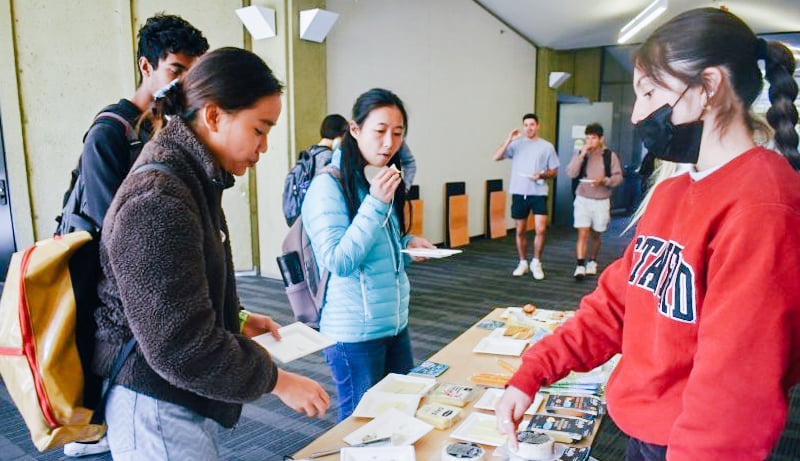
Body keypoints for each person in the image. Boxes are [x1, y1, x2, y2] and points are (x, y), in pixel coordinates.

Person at [496, 7, 800, 461]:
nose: (639, 112)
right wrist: (535, 369)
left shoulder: (764, 204)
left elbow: (736, 389)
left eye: (650, 92)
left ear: (710, 87)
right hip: (646, 432)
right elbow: (618, 306)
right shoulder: (673, 191)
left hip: (691, 444)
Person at [92, 48, 329, 460]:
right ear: (214, 116)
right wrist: (277, 381)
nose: (265, 146)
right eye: (260, 129)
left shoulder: (190, 176)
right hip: (154, 401)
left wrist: (232, 316)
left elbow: (175, 293)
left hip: (174, 395)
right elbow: (177, 346)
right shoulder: (158, 199)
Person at [61, 14, 208, 458]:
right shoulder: (110, 132)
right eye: (176, 70)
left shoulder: (161, 127)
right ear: (146, 67)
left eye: (191, 73)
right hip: (103, 278)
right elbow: (118, 231)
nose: (183, 83)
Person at [301, 88, 435, 421]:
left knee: (402, 416)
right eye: (380, 131)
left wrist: (407, 246)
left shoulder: (369, 180)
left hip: (393, 325)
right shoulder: (327, 187)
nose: (389, 142)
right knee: (361, 426)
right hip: (353, 335)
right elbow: (339, 261)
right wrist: (376, 204)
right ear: (355, 130)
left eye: (398, 133)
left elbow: (375, 250)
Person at [492, 113, 559, 280]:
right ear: (523, 127)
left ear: (538, 126)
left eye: (532, 125)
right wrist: (509, 139)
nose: (529, 128)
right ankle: (523, 262)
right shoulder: (516, 145)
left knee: (540, 229)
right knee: (520, 230)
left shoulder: (546, 147)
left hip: (538, 192)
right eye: (526, 125)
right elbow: (496, 157)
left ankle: (536, 261)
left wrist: (542, 175)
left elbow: (554, 171)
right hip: (519, 191)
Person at [565, 123, 622, 280]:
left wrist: (605, 180)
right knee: (582, 233)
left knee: (596, 234)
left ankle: (592, 261)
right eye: (588, 138)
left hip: (601, 200)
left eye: (593, 138)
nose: (590, 141)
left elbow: (618, 178)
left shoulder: (609, 155)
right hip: (583, 198)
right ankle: (580, 265)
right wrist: (582, 154)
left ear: (601, 138)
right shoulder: (580, 153)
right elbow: (571, 172)